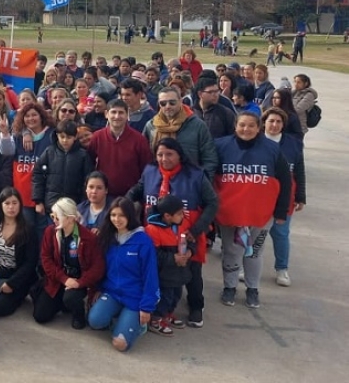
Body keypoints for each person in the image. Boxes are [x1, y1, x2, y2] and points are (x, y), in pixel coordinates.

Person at [126, 137, 218, 329]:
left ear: (179, 155)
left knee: (191, 271)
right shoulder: (150, 171)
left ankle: (195, 306)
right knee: (158, 273)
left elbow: (212, 203)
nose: (164, 158)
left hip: (187, 233)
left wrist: (197, 228)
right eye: (160, 154)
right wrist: (124, 204)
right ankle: (161, 310)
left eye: (169, 154)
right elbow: (138, 190)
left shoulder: (196, 175)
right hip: (157, 236)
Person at [212, 112, 291, 309]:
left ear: (259, 128)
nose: (245, 129)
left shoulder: (272, 149)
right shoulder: (221, 146)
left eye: (250, 126)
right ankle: (229, 287)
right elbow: (210, 176)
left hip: (260, 214)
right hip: (230, 213)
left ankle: (252, 289)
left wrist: (282, 212)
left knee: (254, 252)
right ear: (235, 126)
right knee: (231, 251)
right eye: (241, 125)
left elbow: (285, 181)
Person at [87, 197, 159, 352]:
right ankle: (123, 319)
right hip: (113, 293)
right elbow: (102, 267)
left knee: (120, 345)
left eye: (121, 215)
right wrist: (99, 288)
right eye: (113, 215)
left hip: (135, 298)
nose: (117, 219)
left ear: (130, 216)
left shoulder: (143, 242)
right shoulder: (107, 238)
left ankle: (137, 325)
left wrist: (146, 307)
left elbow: (150, 277)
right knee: (94, 321)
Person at [34, 197, 104, 329]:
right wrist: (64, 279)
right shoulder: (50, 232)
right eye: (52, 216)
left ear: (71, 218)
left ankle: (78, 313)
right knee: (40, 315)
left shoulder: (89, 238)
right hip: (58, 279)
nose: (53, 220)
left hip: (79, 281)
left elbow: (98, 268)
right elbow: (46, 259)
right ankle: (62, 303)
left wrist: (79, 282)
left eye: (57, 217)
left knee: (71, 298)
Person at [262, 108, 306, 287]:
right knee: (252, 235)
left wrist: (301, 196)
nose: (274, 125)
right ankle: (245, 265)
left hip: (284, 196)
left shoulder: (293, 144)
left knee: (281, 233)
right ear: (264, 122)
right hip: (260, 196)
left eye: (278, 122)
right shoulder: (255, 140)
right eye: (271, 121)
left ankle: (282, 269)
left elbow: (299, 171)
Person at [0, 188, 38, 317]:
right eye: (7, 203)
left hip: (16, 276)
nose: (11, 207)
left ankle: (19, 296)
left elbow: (30, 263)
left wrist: (11, 284)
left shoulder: (28, 228)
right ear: (0, 205)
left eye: (14, 203)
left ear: (20, 205)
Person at [144, 194, 193, 335]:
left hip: (179, 271)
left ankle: (167, 314)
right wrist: (173, 258)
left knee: (176, 295)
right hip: (164, 273)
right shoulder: (153, 230)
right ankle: (155, 320)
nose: (182, 216)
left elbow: (191, 241)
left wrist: (190, 252)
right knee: (165, 297)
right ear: (167, 216)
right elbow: (154, 254)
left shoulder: (182, 224)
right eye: (179, 214)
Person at [144, 86, 219, 177]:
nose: (168, 106)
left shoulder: (197, 125)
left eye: (172, 102)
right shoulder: (151, 126)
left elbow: (210, 158)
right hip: (159, 182)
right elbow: (144, 157)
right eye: (163, 103)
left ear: (180, 101)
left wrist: (202, 182)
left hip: (189, 182)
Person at [87, 98, 151, 198]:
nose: (117, 116)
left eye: (121, 113)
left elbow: (146, 170)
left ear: (127, 115)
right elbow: (89, 164)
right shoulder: (97, 137)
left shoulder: (139, 140)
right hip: (103, 196)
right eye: (113, 112)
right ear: (106, 114)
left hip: (130, 197)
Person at [33, 120, 94, 218]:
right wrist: (38, 201)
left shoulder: (82, 155)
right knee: (51, 232)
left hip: (74, 205)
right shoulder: (50, 152)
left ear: (75, 137)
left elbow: (87, 181)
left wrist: (83, 203)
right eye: (62, 137)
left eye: (69, 137)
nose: (65, 140)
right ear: (57, 135)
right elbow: (38, 175)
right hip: (51, 205)